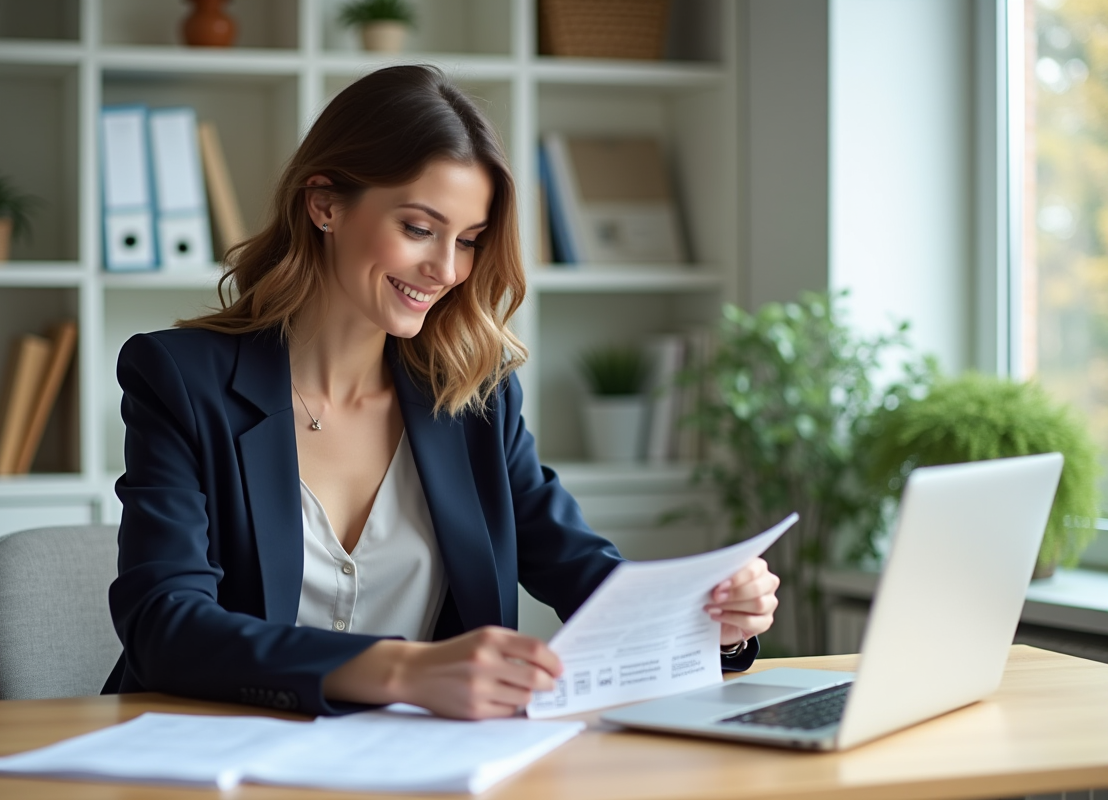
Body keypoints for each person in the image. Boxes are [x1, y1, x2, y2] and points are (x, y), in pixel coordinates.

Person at [104, 64, 780, 719]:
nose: (447, 269)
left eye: (470, 240)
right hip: (208, 760)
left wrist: (711, 617)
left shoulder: (474, 399)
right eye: (419, 229)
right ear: (324, 204)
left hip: (418, 768)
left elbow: (585, 574)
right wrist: (403, 671)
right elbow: (166, 624)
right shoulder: (180, 379)